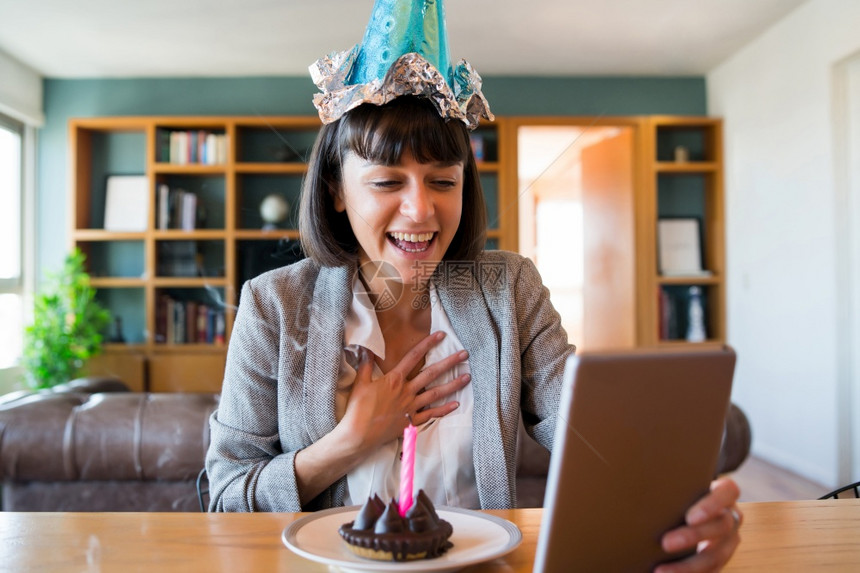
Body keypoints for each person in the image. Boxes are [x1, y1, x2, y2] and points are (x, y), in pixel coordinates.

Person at [206, 1, 741, 570]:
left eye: (443, 181)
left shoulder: (510, 290)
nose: (420, 210)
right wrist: (351, 440)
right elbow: (222, 501)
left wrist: (679, 502)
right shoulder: (272, 306)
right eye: (387, 181)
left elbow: (586, 431)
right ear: (337, 191)